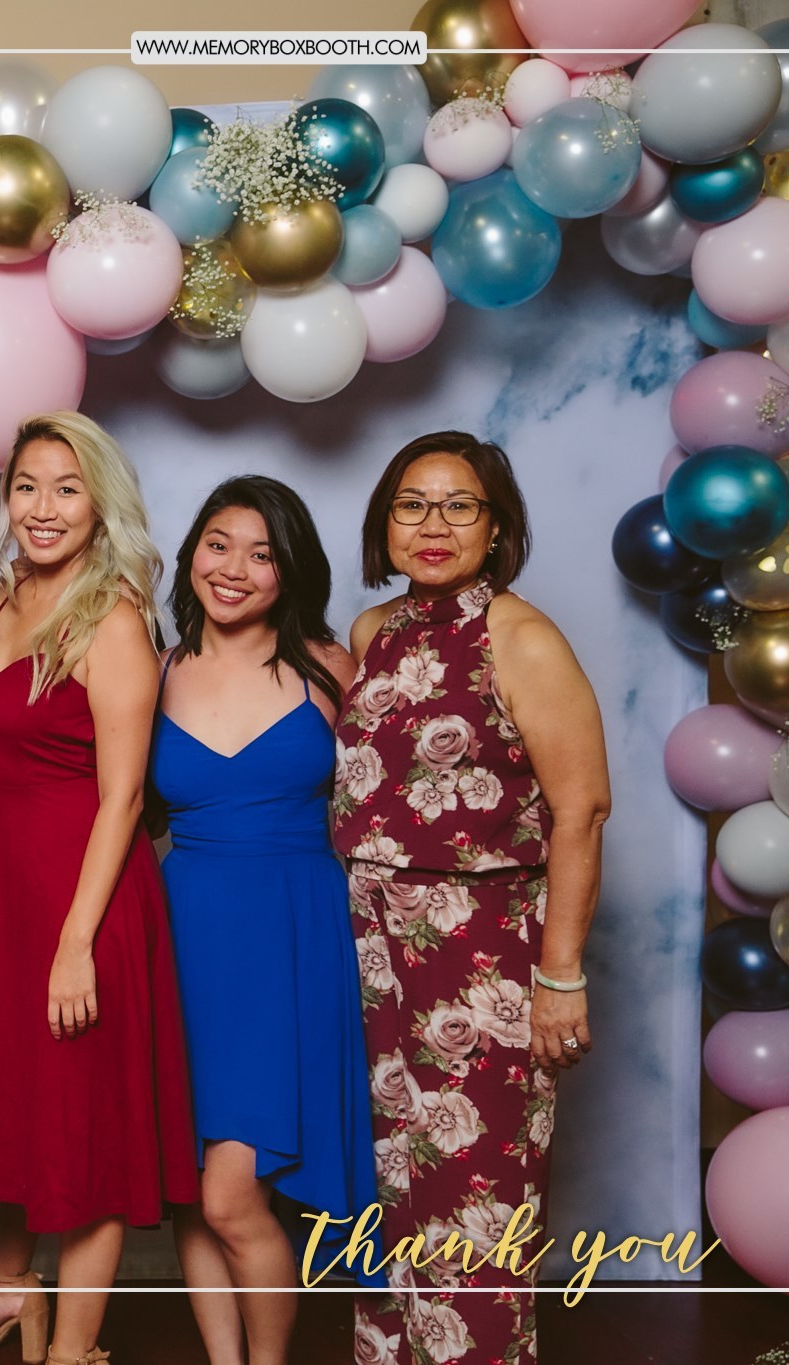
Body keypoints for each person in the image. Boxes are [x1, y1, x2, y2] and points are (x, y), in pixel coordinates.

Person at [335, 433, 608, 1365]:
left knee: (476, 1196)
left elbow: (581, 811)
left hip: (481, 955)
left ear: (496, 528)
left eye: (460, 505)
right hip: (376, 952)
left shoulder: (522, 637)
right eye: (412, 503)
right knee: (395, 1187)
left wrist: (559, 976)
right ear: (385, 522)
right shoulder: (373, 633)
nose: (434, 524)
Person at [0, 411, 198, 1365]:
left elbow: (125, 794)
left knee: (89, 1134)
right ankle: (14, 1285)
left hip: (85, 899)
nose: (43, 507)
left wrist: (75, 941)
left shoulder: (114, 619)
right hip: (8, 892)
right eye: (27, 486)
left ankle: (73, 1352)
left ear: (101, 504)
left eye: (67, 488)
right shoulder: (2, 598)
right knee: (26, 1104)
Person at [151, 476, 375, 1365]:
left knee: (233, 1195)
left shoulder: (331, 668)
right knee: (191, 1188)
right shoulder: (157, 667)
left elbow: (396, 808)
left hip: (290, 942)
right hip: (183, 935)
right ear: (191, 554)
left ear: (292, 571)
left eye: (262, 553)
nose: (234, 568)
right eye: (218, 544)